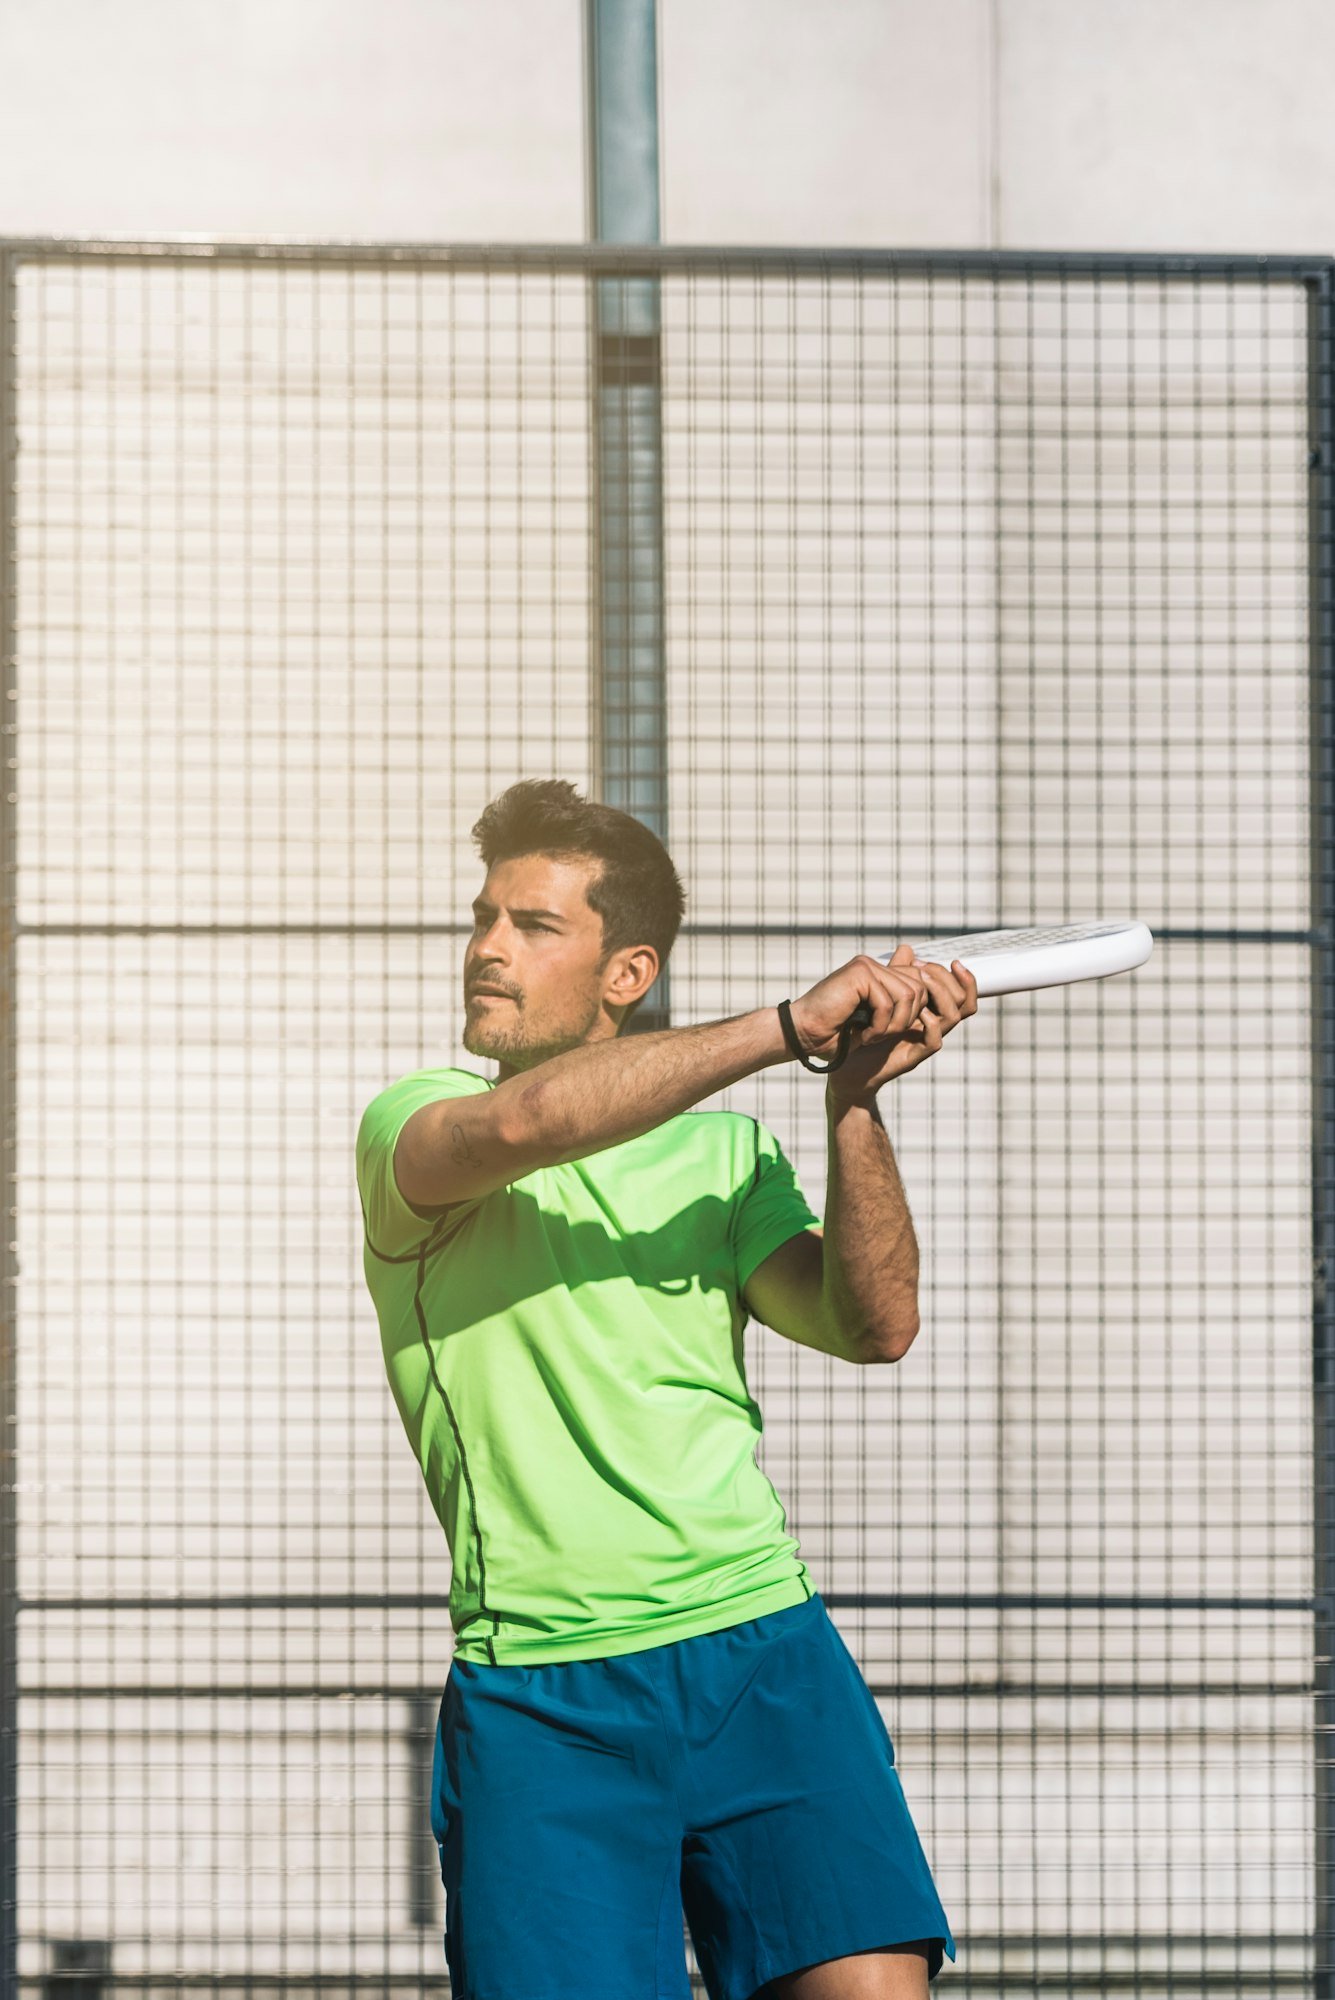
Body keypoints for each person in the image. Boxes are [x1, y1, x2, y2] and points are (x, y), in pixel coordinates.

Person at [356, 779, 977, 2000]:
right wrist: (786, 1026)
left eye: (533, 925)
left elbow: (875, 1324)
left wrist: (851, 1099)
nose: (487, 946)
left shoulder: (727, 1153)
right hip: (544, 1695)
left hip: (766, 1654)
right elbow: (531, 1118)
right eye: (484, 916)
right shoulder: (415, 1126)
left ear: (626, 970)